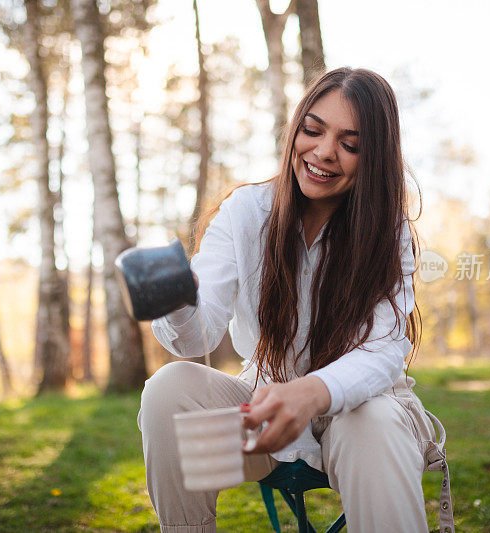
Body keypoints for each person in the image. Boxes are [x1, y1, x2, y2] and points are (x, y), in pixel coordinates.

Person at [138, 67, 453, 533]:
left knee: (372, 424)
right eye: (313, 130)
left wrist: (312, 394)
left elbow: (385, 352)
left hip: (361, 415)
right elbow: (196, 337)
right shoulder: (246, 213)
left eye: (351, 144)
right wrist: (176, 298)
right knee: (169, 389)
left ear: (375, 159)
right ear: (295, 129)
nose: (324, 152)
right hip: (266, 428)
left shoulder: (389, 234)